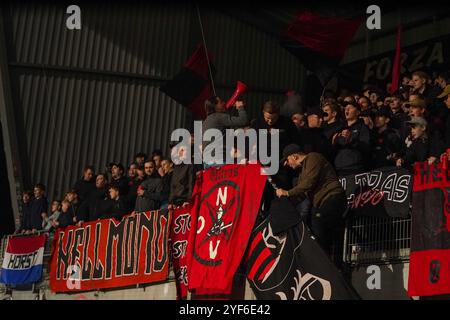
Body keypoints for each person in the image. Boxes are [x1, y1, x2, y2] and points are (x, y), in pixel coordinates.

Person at [275, 144, 347, 255]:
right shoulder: (302, 172)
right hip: (323, 203)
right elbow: (302, 193)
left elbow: (308, 183)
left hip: (333, 198)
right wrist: (286, 201)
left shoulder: (313, 157)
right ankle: (329, 258)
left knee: (317, 219)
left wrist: (287, 192)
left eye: (287, 159)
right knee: (322, 228)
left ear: (294, 156)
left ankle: (323, 256)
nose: (286, 164)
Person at [202, 96, 248, 165]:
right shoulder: (219, 117)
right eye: (221, 102)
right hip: (218, 160)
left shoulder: (206, 121)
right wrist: (240, 107)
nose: (224, 103)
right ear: (215, 107)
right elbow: (243, 120)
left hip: (207, 162)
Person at [333, 103, 371, 176]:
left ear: (357, 112)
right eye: (345, 108)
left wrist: (351, 139)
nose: (346, 110)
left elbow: (366, 148)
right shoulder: (340, 128)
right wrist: (333, 143)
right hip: (339, 169)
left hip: (354, 169)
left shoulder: (362, 127)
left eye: (350, 108)